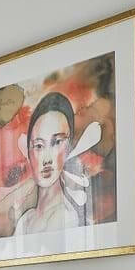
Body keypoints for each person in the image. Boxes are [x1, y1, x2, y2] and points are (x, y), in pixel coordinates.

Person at [12, 92, 84, 235]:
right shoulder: (25, 220)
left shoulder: (66, 217)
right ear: (29, 153)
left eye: (57, 142)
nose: (47, 160)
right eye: (39, 146)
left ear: (69, 147)